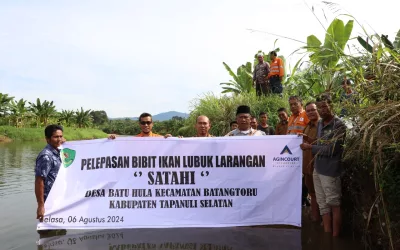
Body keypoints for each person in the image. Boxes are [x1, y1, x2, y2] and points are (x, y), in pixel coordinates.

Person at [300, 94, 346, 237]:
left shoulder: (339, 125)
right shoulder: (320, 124)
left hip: (330, 171)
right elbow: (320, 143)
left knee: (334, 204)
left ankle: (335, 237)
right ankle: (327, 236)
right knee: (323, 206)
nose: (321, 110)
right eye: (319, 107)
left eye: (324, 106)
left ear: (331, 106)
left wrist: (310, 147)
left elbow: (332, 149)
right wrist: (310, 140)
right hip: (317, 169)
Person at [35, 125, 66, 236]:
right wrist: (41, 206)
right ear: (47, 139)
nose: (59, 139)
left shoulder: (58, 151)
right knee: (47, 236)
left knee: (61, 236)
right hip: (49, 203)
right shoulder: (46, 156)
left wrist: (108, 140)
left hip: (59, 201)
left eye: (61, 136)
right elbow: (39, 181)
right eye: (55, 137)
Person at [299, 102, 321, 222]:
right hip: (307, 167)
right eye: (308, 111)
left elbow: (324, 145)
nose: (311, 113)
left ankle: (324, 220)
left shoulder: (323, 125)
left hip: (320, 167)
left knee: (321, 195)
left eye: (313, 110)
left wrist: (308, 141)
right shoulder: (307, 126)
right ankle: (315, 218)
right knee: (312, 193)